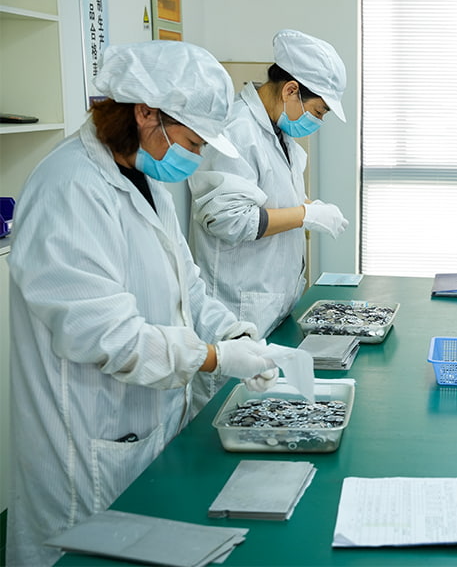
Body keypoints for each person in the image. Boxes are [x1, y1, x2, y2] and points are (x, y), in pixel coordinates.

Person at [5, 41, 292, 567]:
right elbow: (108, 336)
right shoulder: (68, 188)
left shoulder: (146, 175)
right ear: (145, 114)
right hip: (87, 443)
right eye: (192, 141)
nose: (196, 157)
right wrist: (213, 358)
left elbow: (188, 286)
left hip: (146, 424)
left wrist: (230, 332)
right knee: (83, 557)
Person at [188, 29, 349, 341]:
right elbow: (229, 220)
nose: (318, 122)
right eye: (318, 112)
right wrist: (305, 215)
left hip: (272, 306)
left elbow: (273, 200)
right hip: (237, 311)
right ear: (290, 90)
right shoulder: (237, 130)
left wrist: (310, 209)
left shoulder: (278, 131)